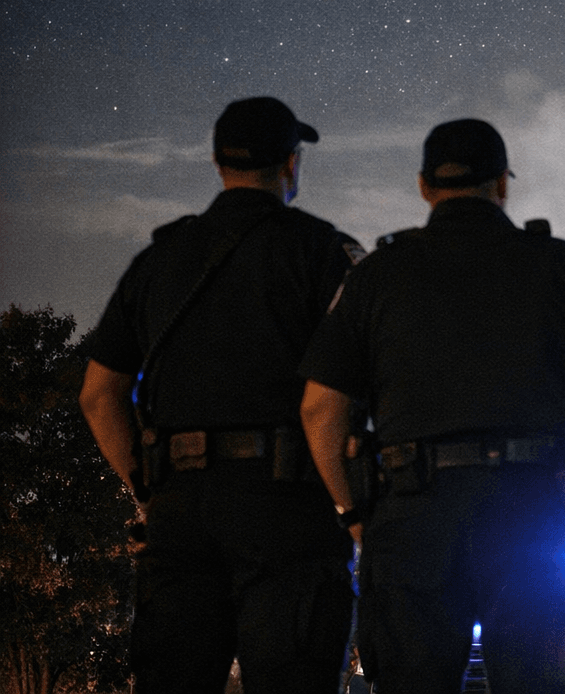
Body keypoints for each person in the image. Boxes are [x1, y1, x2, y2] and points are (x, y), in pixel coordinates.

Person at [298, 117, 565, 694]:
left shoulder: (376, 276)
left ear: (424, 186)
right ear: (503, 184)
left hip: (412, 518)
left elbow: (319, 411)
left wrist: (355, 515)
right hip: (539, 514)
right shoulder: (563, 266)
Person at [77, 96, 362, 693]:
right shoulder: (321, 252)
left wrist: (148, 493)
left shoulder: (157, 260)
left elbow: (100, 396)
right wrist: (353, 506)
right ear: (291, 164)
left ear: (216, 162)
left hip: (179, 511)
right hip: (288, 512)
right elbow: (338, 395)